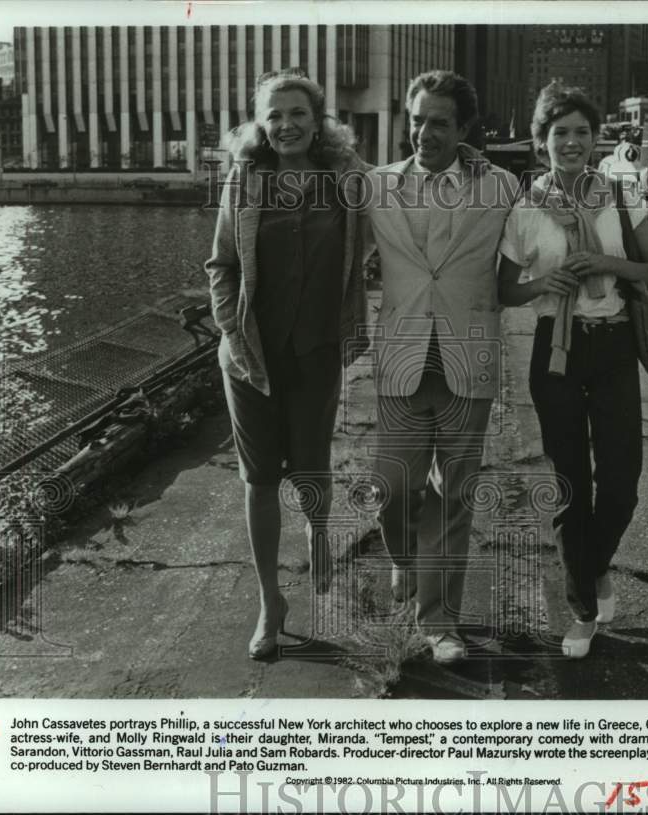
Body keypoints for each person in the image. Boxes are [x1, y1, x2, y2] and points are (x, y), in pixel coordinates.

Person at [497, 82, 648, 659]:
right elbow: (505, 289)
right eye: (559, 133)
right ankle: (581, 609)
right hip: (557, 351)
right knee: (571, 484)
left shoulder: (619, 197)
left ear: (596, 139)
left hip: (615, 343)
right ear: (540, 141)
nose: (571, 142)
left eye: (581, 132)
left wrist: (602, 261)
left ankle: (593, 569)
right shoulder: (525, 208)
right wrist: (541, 283)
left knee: (621, 481)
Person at [204, 69, 371, 660]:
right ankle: (270, 601)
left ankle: (320, 535)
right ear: (259, 123)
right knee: (259, 481)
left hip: (319, 348)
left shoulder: (346, 180)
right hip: (252, 357)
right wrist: (231, 329)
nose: (285, 125)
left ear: (318, 120)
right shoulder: (245, 181)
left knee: (311, 468)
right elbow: (221, 264)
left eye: (297, 113)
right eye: (273, 115)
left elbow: (401, 213)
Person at [365, 70, 518, 665]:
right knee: (393, 486)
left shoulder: (502, 186)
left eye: (439, 123)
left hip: (467, 358)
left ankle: (441, 623)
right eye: (417, 119)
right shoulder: (376, 185)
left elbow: (535, 244)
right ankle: (405, 558)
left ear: (464, 129)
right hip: (402, 355)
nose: (424, 133)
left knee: (453, 494)